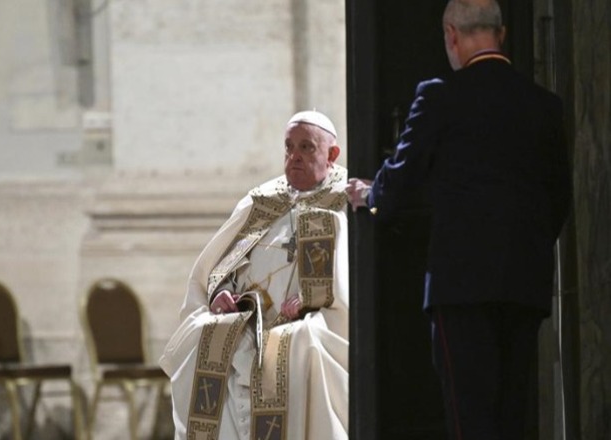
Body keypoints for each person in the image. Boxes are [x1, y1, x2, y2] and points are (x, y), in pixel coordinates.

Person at [346, 1, 572, 439]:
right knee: (513, 416)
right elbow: (558, 198)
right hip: (524, 284)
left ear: (451, 35)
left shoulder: (440, 96)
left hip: (461, 285)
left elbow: (403, 175)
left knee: (469, 418)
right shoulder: (545, 105)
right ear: (501, 34)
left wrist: (371, 196)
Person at [160, 110, 349, 440]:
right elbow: (223, 262)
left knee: (304, 346)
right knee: (204, 336)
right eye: (289, 147)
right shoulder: (262, 200)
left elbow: (348, 278)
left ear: (332, 154)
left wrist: (311, 301)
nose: (295, 157)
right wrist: (222, 290)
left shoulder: (344, 200)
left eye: (307, 148)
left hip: (307, 322)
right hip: (247, 322)